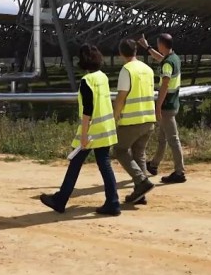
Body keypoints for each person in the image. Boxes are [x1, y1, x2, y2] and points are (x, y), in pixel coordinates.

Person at [40, 44, 121, 216]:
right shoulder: (102, 77)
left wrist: (84, 135)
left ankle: (60, 200)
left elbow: (88, 111)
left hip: (92, 132)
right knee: (104, 165)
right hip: (106, 128)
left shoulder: (87, 81)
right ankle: (113, 202)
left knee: (75, 164)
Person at [112, 39, 157, 205]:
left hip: (132, 120)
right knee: (139, 154)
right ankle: (140, 193)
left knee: (120, 150)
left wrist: (115, 117)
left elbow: (121, 97)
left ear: (121, 53)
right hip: (148, 119)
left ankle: (141, 181)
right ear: (136, 51)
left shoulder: (127, 70)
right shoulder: (147, 69)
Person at [138, 33, 187, 183]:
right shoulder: (174, 58)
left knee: (172, 139)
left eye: (157, 44)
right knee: (162, 138)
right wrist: (147, 47)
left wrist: (157, 107)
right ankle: (153, 165)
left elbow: (164, 86)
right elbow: (160, 58)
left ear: (161, 45)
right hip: (173, 104)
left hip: (167, 106)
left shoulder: (167, 64)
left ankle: (180, 172)